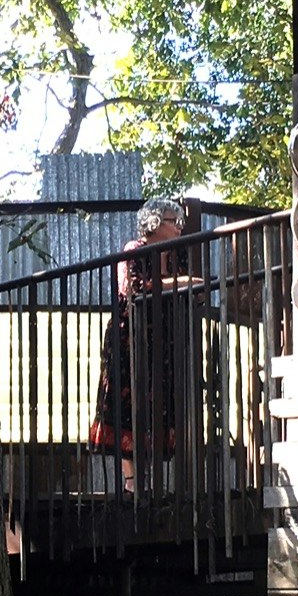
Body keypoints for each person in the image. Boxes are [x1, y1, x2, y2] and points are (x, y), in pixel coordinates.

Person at [88, 197, 192, 486]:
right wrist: (183, 283)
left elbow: (193, 289)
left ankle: (153, 478)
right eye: (175, 221)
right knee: (127, 404)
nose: (180, 227)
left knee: (160, 404)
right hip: (129, 336)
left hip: (164, 340)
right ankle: (131, 480)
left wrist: (189, 286)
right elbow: (134, 288)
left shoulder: (176, 254)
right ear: (155, 223)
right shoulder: (133, 251)